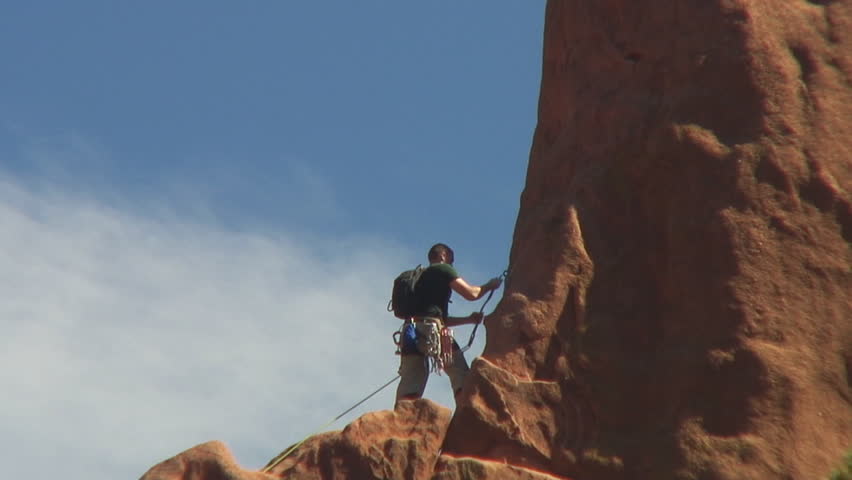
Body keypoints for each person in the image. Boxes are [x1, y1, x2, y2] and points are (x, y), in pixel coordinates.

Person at [395, 243, 503, 404]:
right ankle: (465, 411)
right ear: (443, 256)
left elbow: (437, 317)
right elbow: (472, 294)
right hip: (433, 331)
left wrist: (468, 319)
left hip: (410, 332)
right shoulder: (443, 269)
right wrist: (490, 285)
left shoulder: (418, 278)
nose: (452, 265)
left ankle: (401, 415)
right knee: (459, 372)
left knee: (411, 382)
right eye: (451, 261)